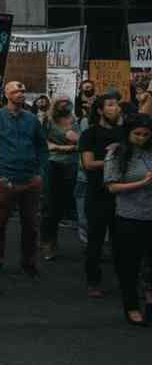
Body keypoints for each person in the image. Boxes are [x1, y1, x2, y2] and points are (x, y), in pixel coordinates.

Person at [0, 81, 48, 278]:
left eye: (22, 91)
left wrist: (40, 173)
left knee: (31, 225)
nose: (20, 93)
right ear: (6, 94)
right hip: (6, 179)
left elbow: (42, 147)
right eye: (16, 91)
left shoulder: (32, 119)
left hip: (30, 180)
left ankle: (29, 263)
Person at [104, 114, 152, 326]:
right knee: (129, 265)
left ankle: (149, 299)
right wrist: (142, 183)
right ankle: (131, 305)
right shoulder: (117, 152)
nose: (141, 138)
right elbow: (112, 186)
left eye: (146, 134)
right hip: (129, 216)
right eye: (137, 134)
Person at [79, 91, 126, 297]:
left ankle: (126, 281)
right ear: (100, 110)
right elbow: (88, 164)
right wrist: (112, 157)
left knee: (122, 241)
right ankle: (93, 281)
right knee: (96, 240)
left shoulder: (125, 132)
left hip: (123, 195)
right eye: (110, 105)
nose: (116, 108)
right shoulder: (90, 134)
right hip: (98, 194)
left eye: (117, 105)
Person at [42, 105, 80, 262]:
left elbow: (84, 143)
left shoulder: (77, 121)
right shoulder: (48, 121)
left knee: (67, 205)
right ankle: (48, 242)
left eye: (67, 101)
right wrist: (64, 147)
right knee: (50, 205)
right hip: (52, 164)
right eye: (61, 101)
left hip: (73, 165)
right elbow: (43, 143)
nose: (64, 104)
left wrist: (75, 142)